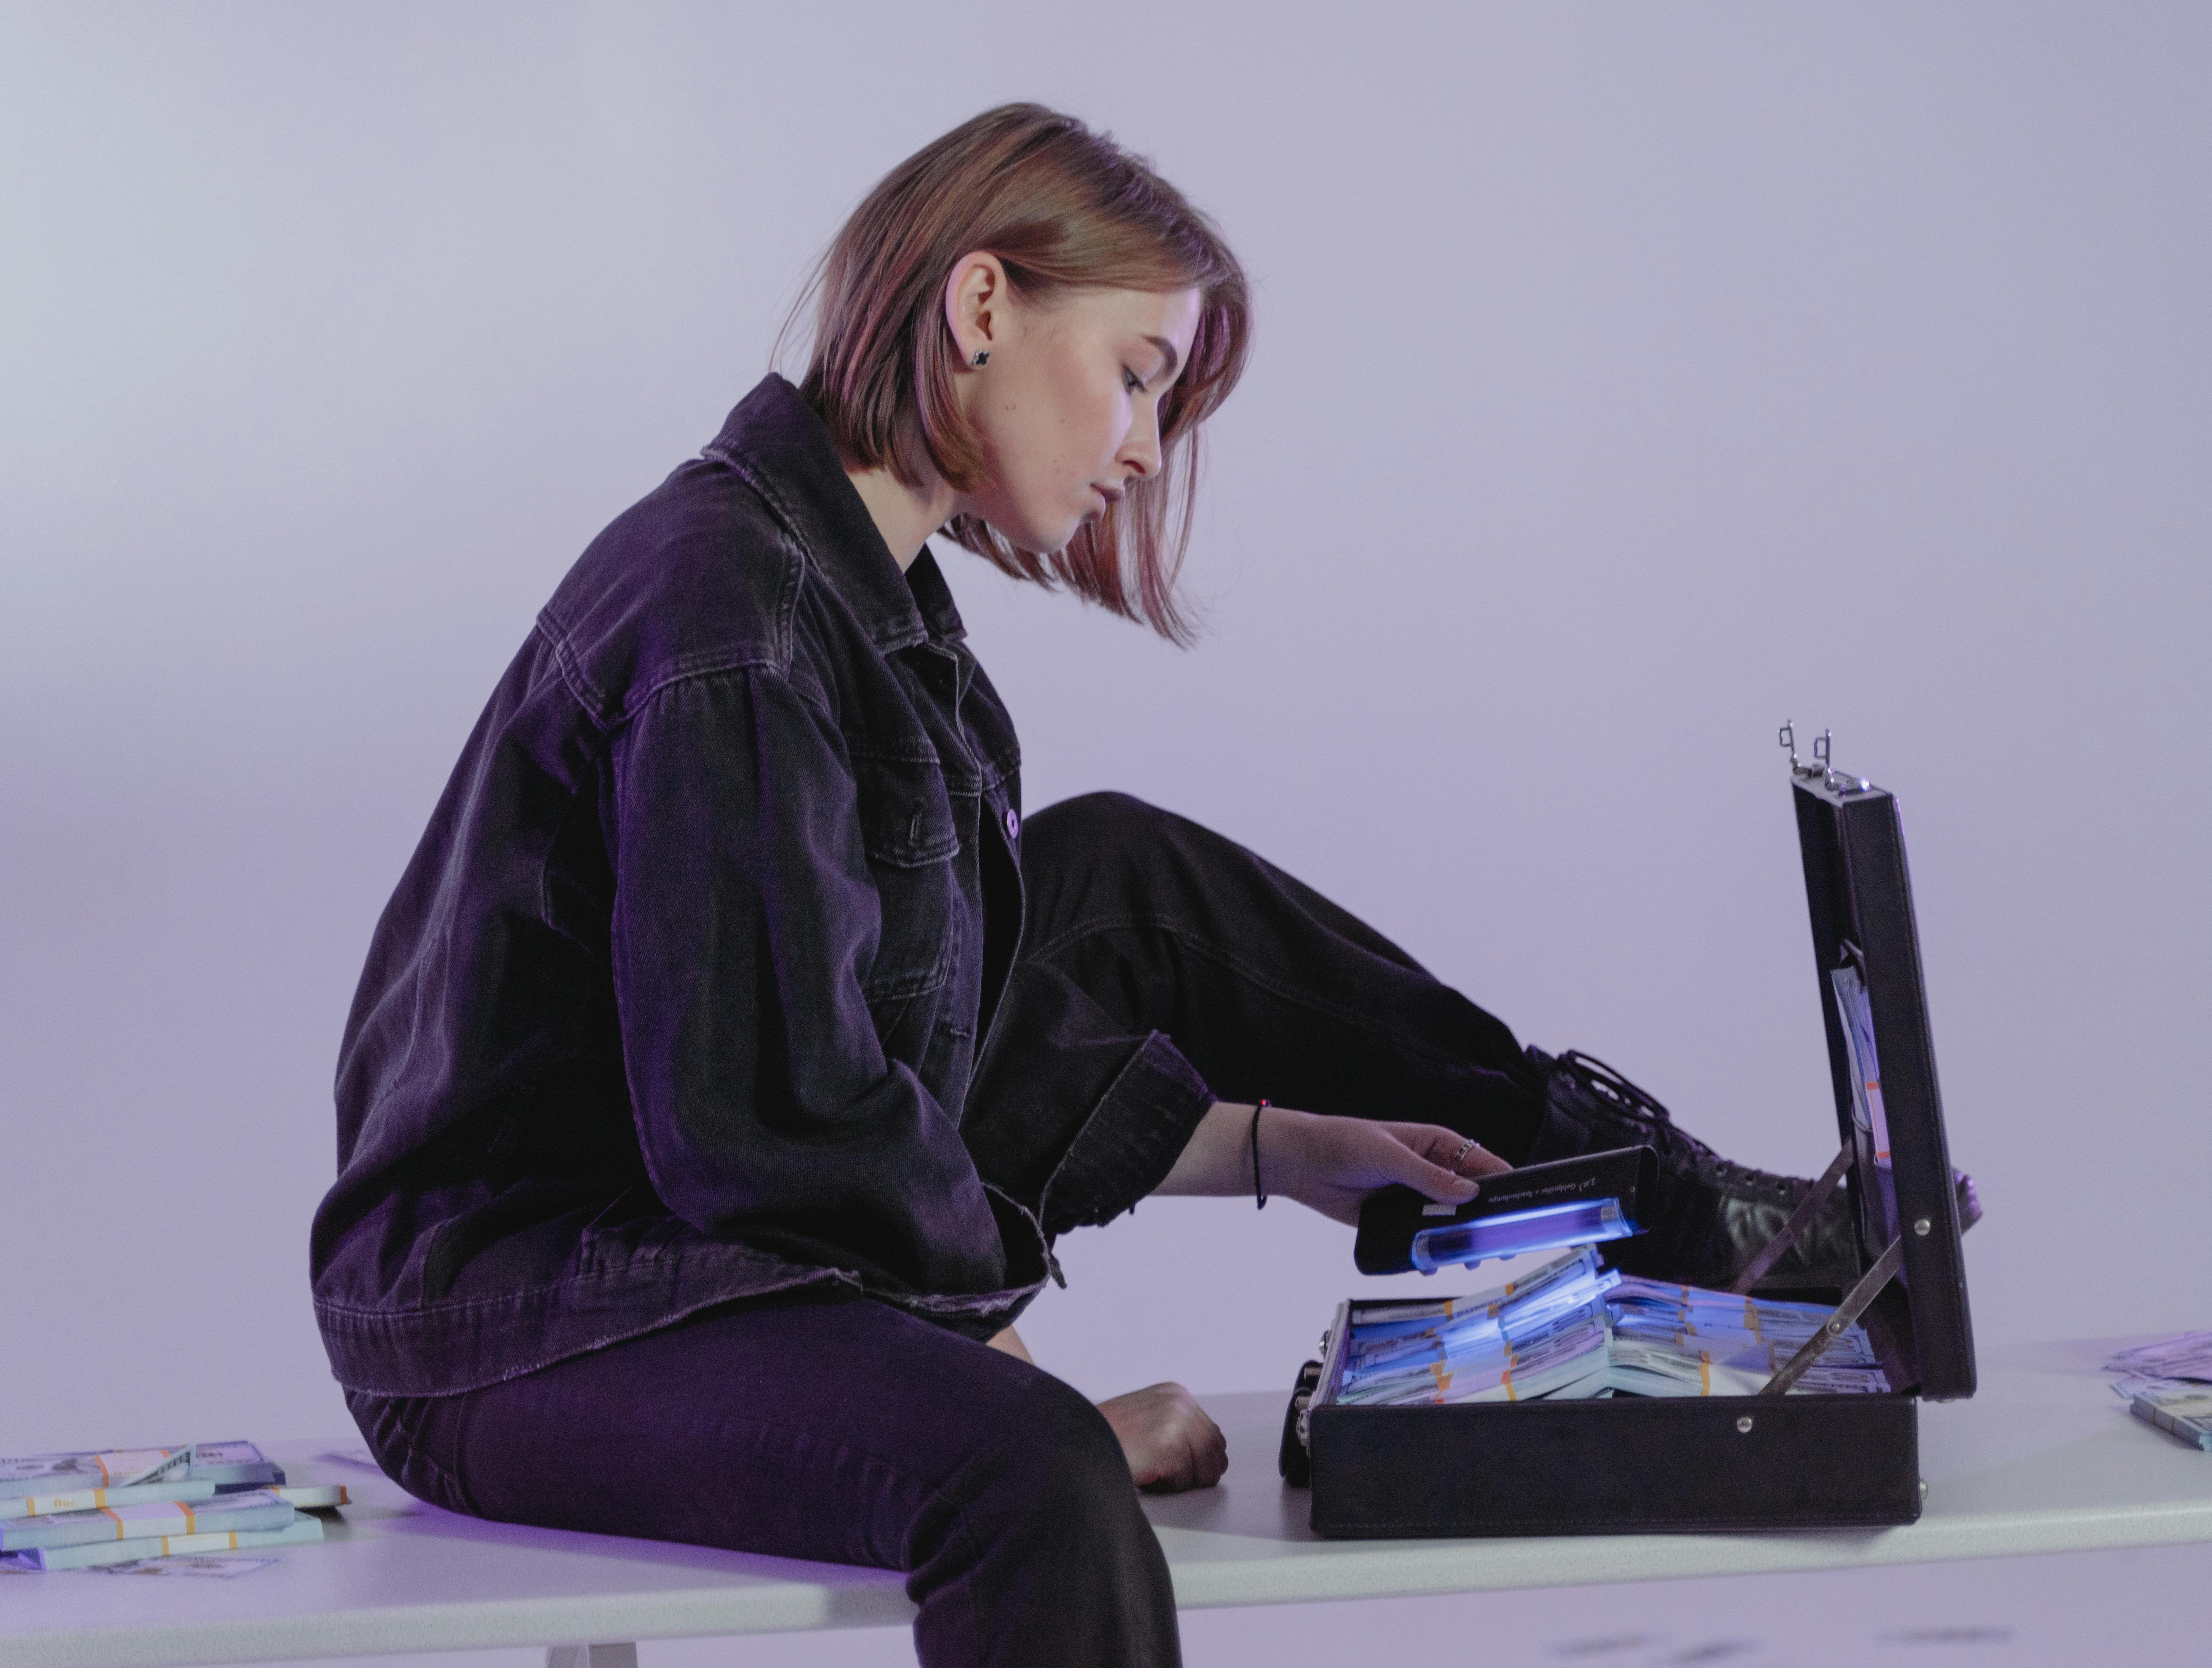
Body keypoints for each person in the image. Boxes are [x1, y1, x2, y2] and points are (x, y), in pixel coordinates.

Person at [311, 103, 1919, 1668]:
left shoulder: (868, 595)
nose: (1145, 452)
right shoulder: (731, 610)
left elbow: (902, 1029)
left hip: (676, 1211)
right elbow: (778, 1122)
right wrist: (1017, 1383)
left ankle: (1662, 1201)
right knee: (1033, 1481)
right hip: (524, 1316)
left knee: (1122, 878)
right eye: (1137, 377)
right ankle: (1665, 1216)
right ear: (982, 306)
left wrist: (1281, 1147)